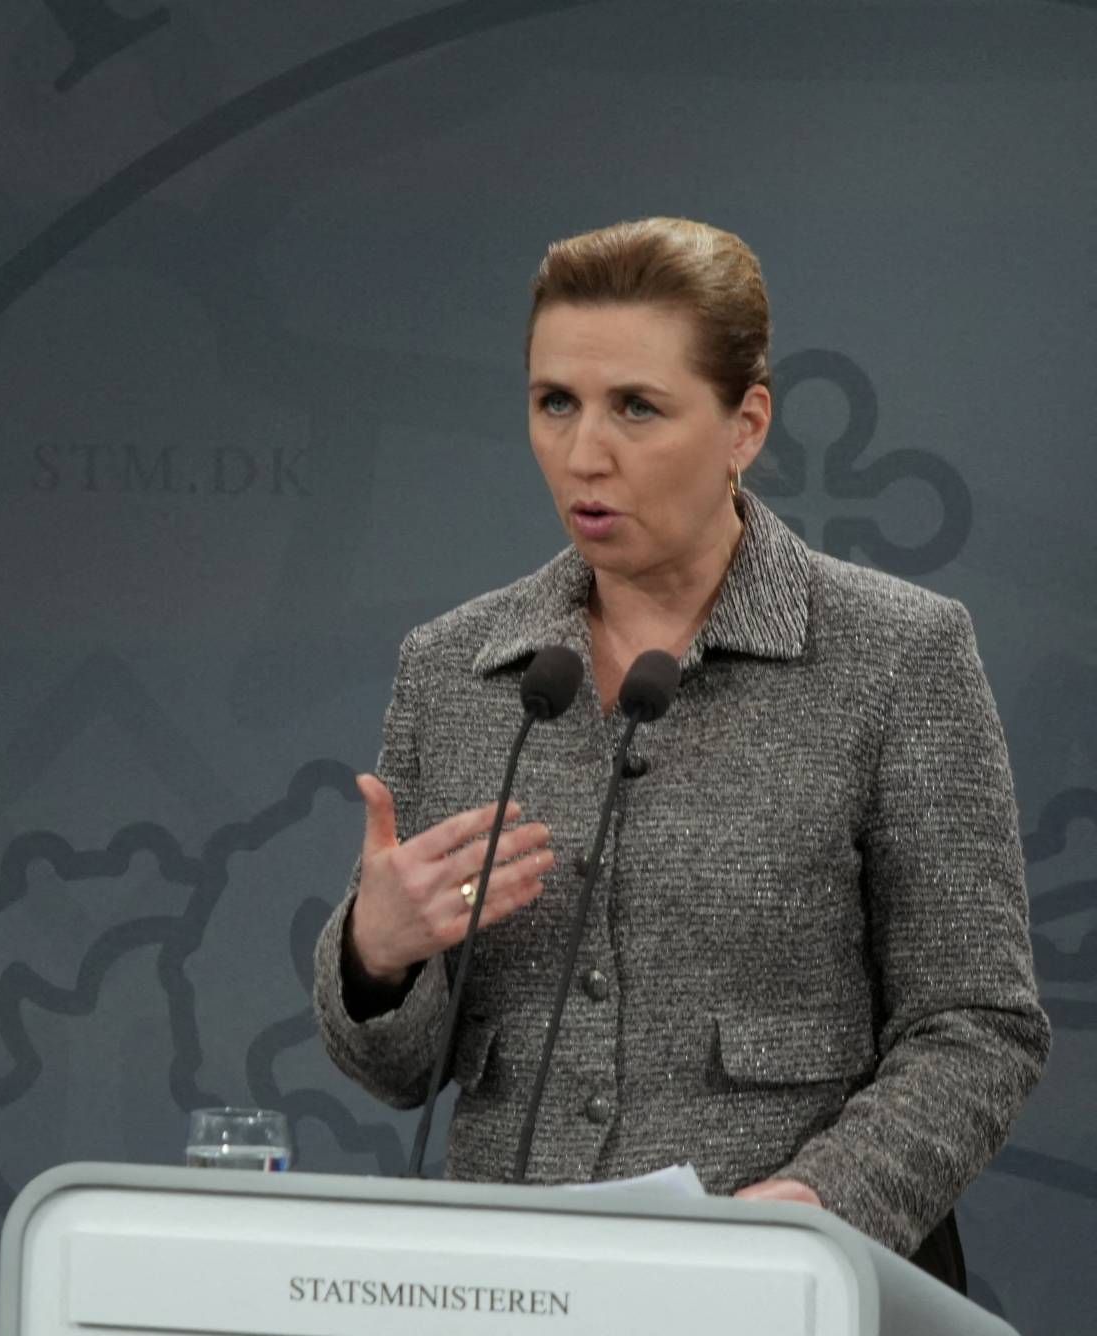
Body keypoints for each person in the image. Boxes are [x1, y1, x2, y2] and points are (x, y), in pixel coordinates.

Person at [312, 217, 1048, 1289]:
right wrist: (376, 958)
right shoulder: (454, 669)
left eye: (636, 408)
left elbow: (977, 1024)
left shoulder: (896, 656)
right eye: (554, 402)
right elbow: (398, 1071)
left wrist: (820, 1206)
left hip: (787, 1286)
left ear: (745, 424)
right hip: (516, 1287)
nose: (583, 454)